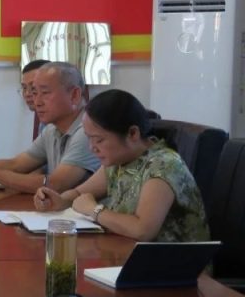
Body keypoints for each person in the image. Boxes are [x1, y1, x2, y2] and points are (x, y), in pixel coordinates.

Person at [33, 89, 209, 242]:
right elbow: (80, 194)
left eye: (99, 140)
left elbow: (142, 230)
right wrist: (59, 201)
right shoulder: (117, 161)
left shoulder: (163, 166)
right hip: (125, 252)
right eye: (89, 138)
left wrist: (95, 210)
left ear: (132, 133)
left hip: (171, 264)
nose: (92, 147)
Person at [0, 62, 99, 193]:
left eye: (45, 93)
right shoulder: (51, 130)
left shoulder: (88, 131)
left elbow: (56, 184)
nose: (37, 102)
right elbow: (17, 164)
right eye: (35, 93)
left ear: (74, 95)